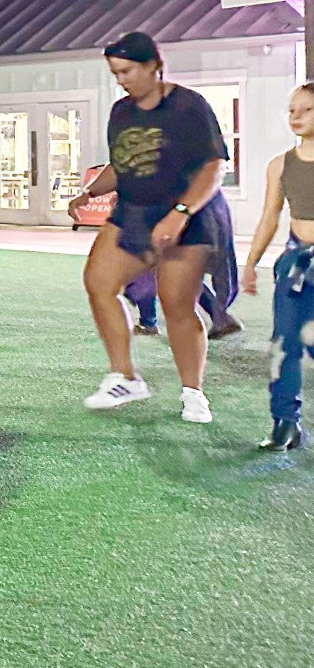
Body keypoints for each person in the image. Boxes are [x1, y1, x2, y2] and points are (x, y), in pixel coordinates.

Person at [70, 31, 233, 424]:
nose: (121, 80)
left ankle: (193, 393)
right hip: (134, 212)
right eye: (115, 73)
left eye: (127, 71)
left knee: (177, 306)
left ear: (154, 66)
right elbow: (122, 164)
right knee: (99, 283)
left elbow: (214, 167)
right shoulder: (121, 112)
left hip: (189, 216)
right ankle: (125, 378)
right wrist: (89, 192)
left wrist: (180, 212)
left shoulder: (189, 106)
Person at [242, 83, 314, 452]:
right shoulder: (280, 164)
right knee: (284, 344)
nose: (296, 116)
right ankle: (285, 423)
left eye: (306, 109)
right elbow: (269, 217)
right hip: (295, 264)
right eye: (292, 110)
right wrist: (251, 263)